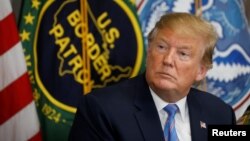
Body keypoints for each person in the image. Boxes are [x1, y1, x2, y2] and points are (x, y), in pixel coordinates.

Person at [69, 13, 236, 141]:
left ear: (201, 70)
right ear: (149, 52)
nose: (168, 60)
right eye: (161, 47)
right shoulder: (101, 109)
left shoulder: (221, 114)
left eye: (183, 54)